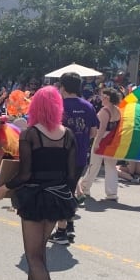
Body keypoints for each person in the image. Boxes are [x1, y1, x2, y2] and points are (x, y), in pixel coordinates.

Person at [0, 86, 77, 280]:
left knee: (34, 257)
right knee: (38, 254)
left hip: (35, 198)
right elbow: (71, 176)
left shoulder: (31, 134)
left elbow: (25, 174)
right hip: (58, 198)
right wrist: (65, 199)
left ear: (36, 106)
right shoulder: (68, 134)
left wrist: (4, 187)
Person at [50, 72, 98, 244]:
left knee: (62, 193)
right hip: (80, 156)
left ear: (62, 87)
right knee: (69, 191)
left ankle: (61, 231)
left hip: (61, 156)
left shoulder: (58, 106)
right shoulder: (88, 106)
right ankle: (69, 226)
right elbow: (93, 132)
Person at [79, 88, 122, 201]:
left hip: (103, 138)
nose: (100, 98)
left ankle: (85, 187)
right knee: (111, 166)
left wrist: (97, 142)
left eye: (102, 96)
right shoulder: (118, 110)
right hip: (113, 139)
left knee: (94, 164)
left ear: (107, 98)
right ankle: (112, 193)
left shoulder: (104, 111)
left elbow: (101, 129)